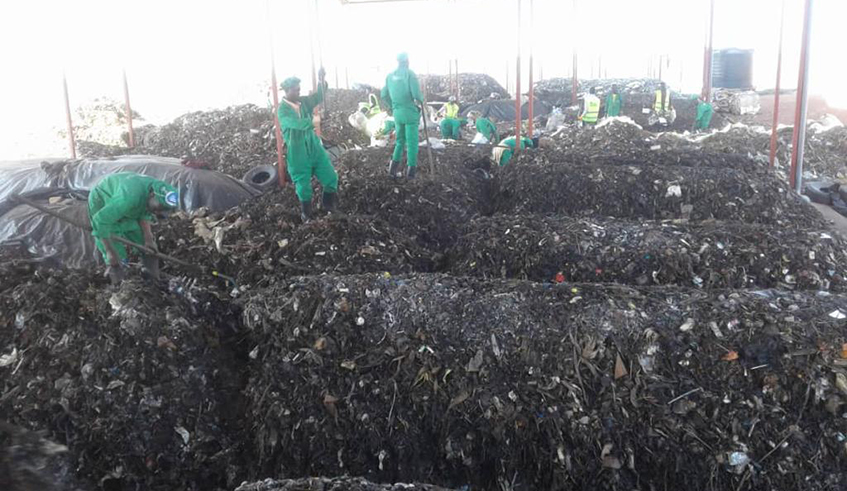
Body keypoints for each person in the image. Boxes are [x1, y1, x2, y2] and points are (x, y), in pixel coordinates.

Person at [88, 173, 179, 284]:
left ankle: (154, 281)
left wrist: (149, 239)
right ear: (151, 195)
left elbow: (145, 213)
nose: (159, 212)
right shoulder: (128, 198)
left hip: (129, 200)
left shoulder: (154, 190)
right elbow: (100, 221)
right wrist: (109, 251)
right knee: (116, 253)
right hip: (103, 198)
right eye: (159, 208)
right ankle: (119, 284)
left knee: (148, 248)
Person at [278, 68, 339, 222]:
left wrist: (321, 80)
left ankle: (328, 206)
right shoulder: (282, 110)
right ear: (287, 91)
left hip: (314, 147)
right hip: (297, 152)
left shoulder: (303, 102)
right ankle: (306, 214)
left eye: (299, 89)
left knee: (331, 177)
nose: (299, 92)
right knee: (303, 186)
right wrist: (311, 121)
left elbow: (319, 96)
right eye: (295, 90)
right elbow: (293, 123)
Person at [381, 52, 424, 179]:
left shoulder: (389, 76)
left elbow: (383, 94)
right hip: (410, 112)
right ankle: (411, 173)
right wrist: (421, 102)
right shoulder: (409, 74)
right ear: (407, 61)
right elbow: (416, 95)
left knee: (399, 141)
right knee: (412, 142)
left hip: (397, 113)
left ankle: (392, 170)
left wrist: (393, 106)